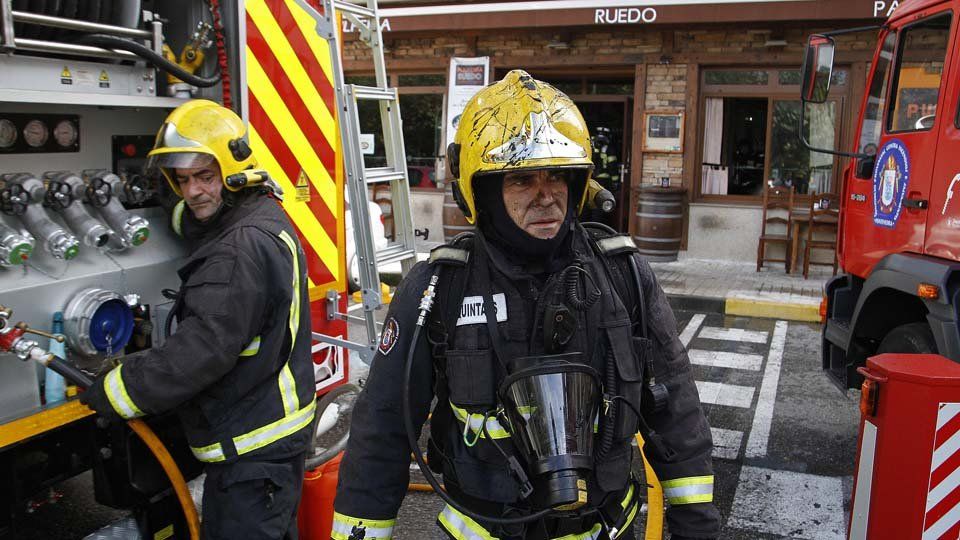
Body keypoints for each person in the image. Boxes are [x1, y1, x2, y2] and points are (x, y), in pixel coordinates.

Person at [332, 70, 720, 540]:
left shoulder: (621, 274)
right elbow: (383, 430)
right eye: (521, 180)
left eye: (558, 176)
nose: (546, 196)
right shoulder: (439, 287)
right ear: (482, 191)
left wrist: (696, 523)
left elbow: (675, 407)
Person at [80, 99, 316, 540]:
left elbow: (199, 352)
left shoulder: (237, 250)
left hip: (252, 447)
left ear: (230, 173)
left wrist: (119, 388)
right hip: (272, 435)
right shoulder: (260, 214)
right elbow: (201, 221)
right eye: (183, 181)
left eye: (205, 177)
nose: (193, 192)